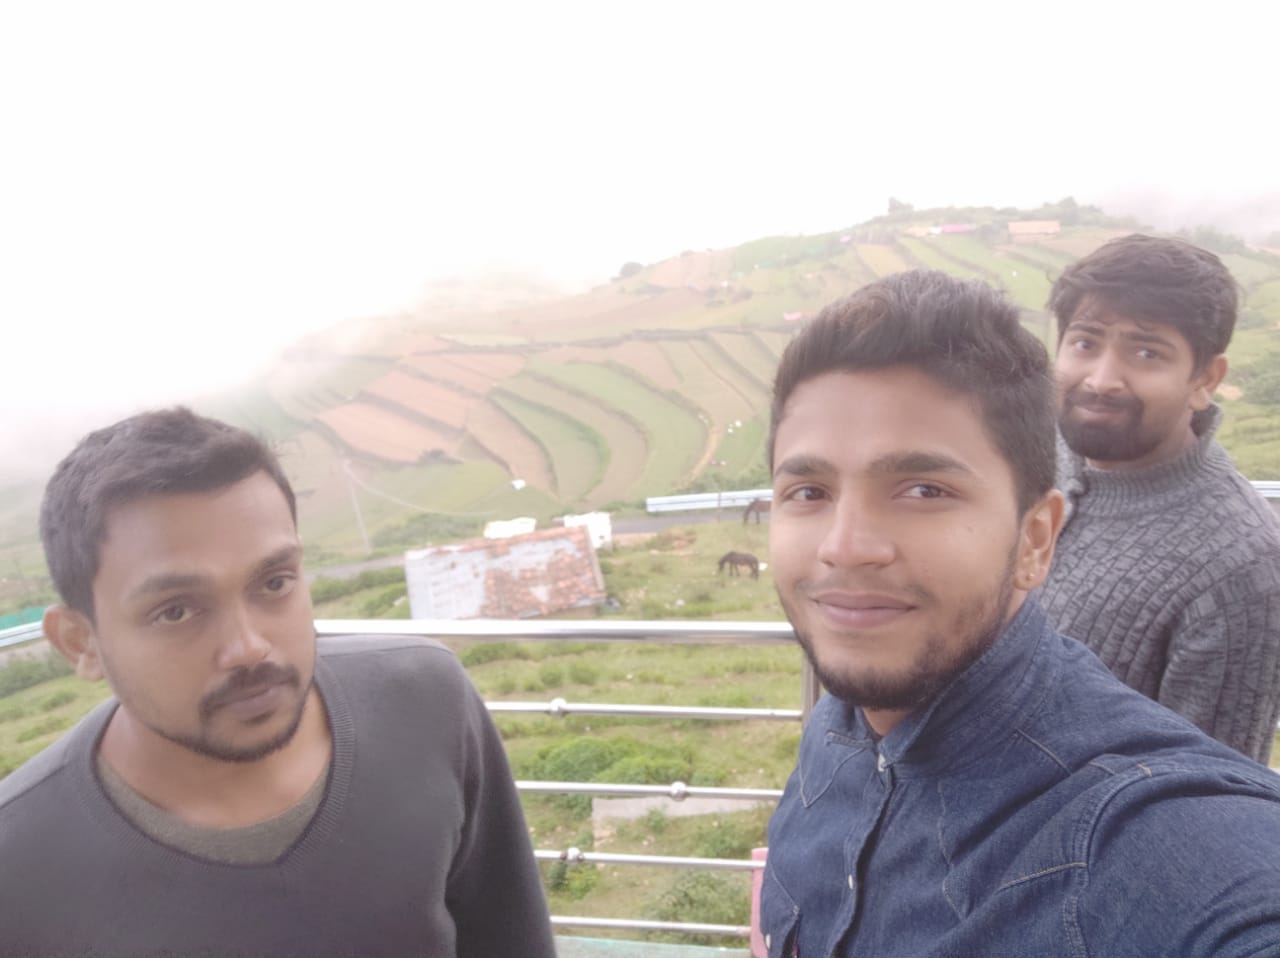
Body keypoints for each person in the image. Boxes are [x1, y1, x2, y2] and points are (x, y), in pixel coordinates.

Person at [760, 271, 1280, 958]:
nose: (845, 547)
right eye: (808, 491)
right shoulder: (842, 721)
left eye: (924, 489)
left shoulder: (1147, 840)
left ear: (1036, 540)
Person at [0, 408, 555, 957]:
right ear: (80, 642)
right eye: (176, 611)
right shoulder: (18, 866)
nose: (248, 646)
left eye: (274, 582)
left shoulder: (426, 702)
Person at [1039, 234, 1280, 764]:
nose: (1102, 380)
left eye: (1147, 353)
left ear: (1205, 379)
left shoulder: (1240, 566)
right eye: (1085, 343)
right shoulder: (1039, 450)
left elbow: (1212, 786)